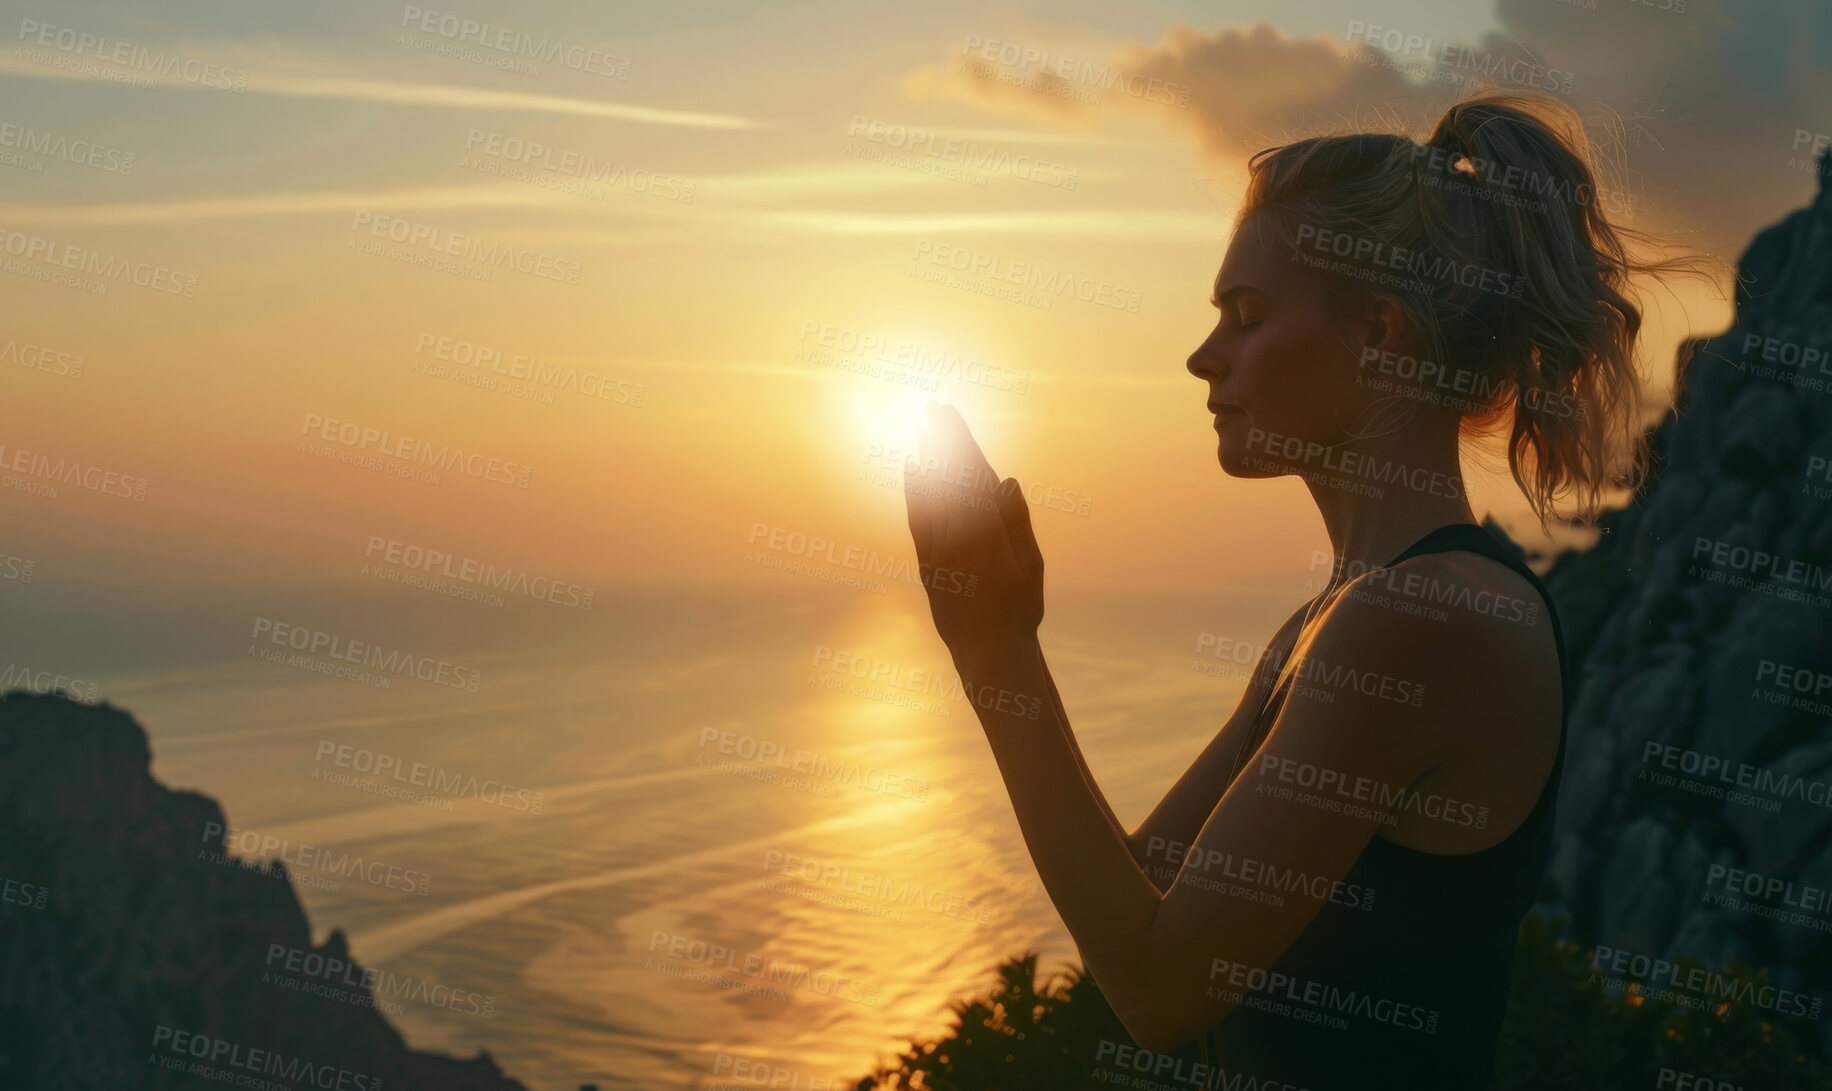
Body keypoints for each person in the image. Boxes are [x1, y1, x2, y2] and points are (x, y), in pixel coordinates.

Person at [900, 89, 1702, 1089]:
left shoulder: (1423, 619)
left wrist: (994, 652)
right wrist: (1000, 634)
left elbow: (1157, 989)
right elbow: (1142, 896)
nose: (1202, 357)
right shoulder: (1328, 618)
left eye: (1244, 317)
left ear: (1375, 332)